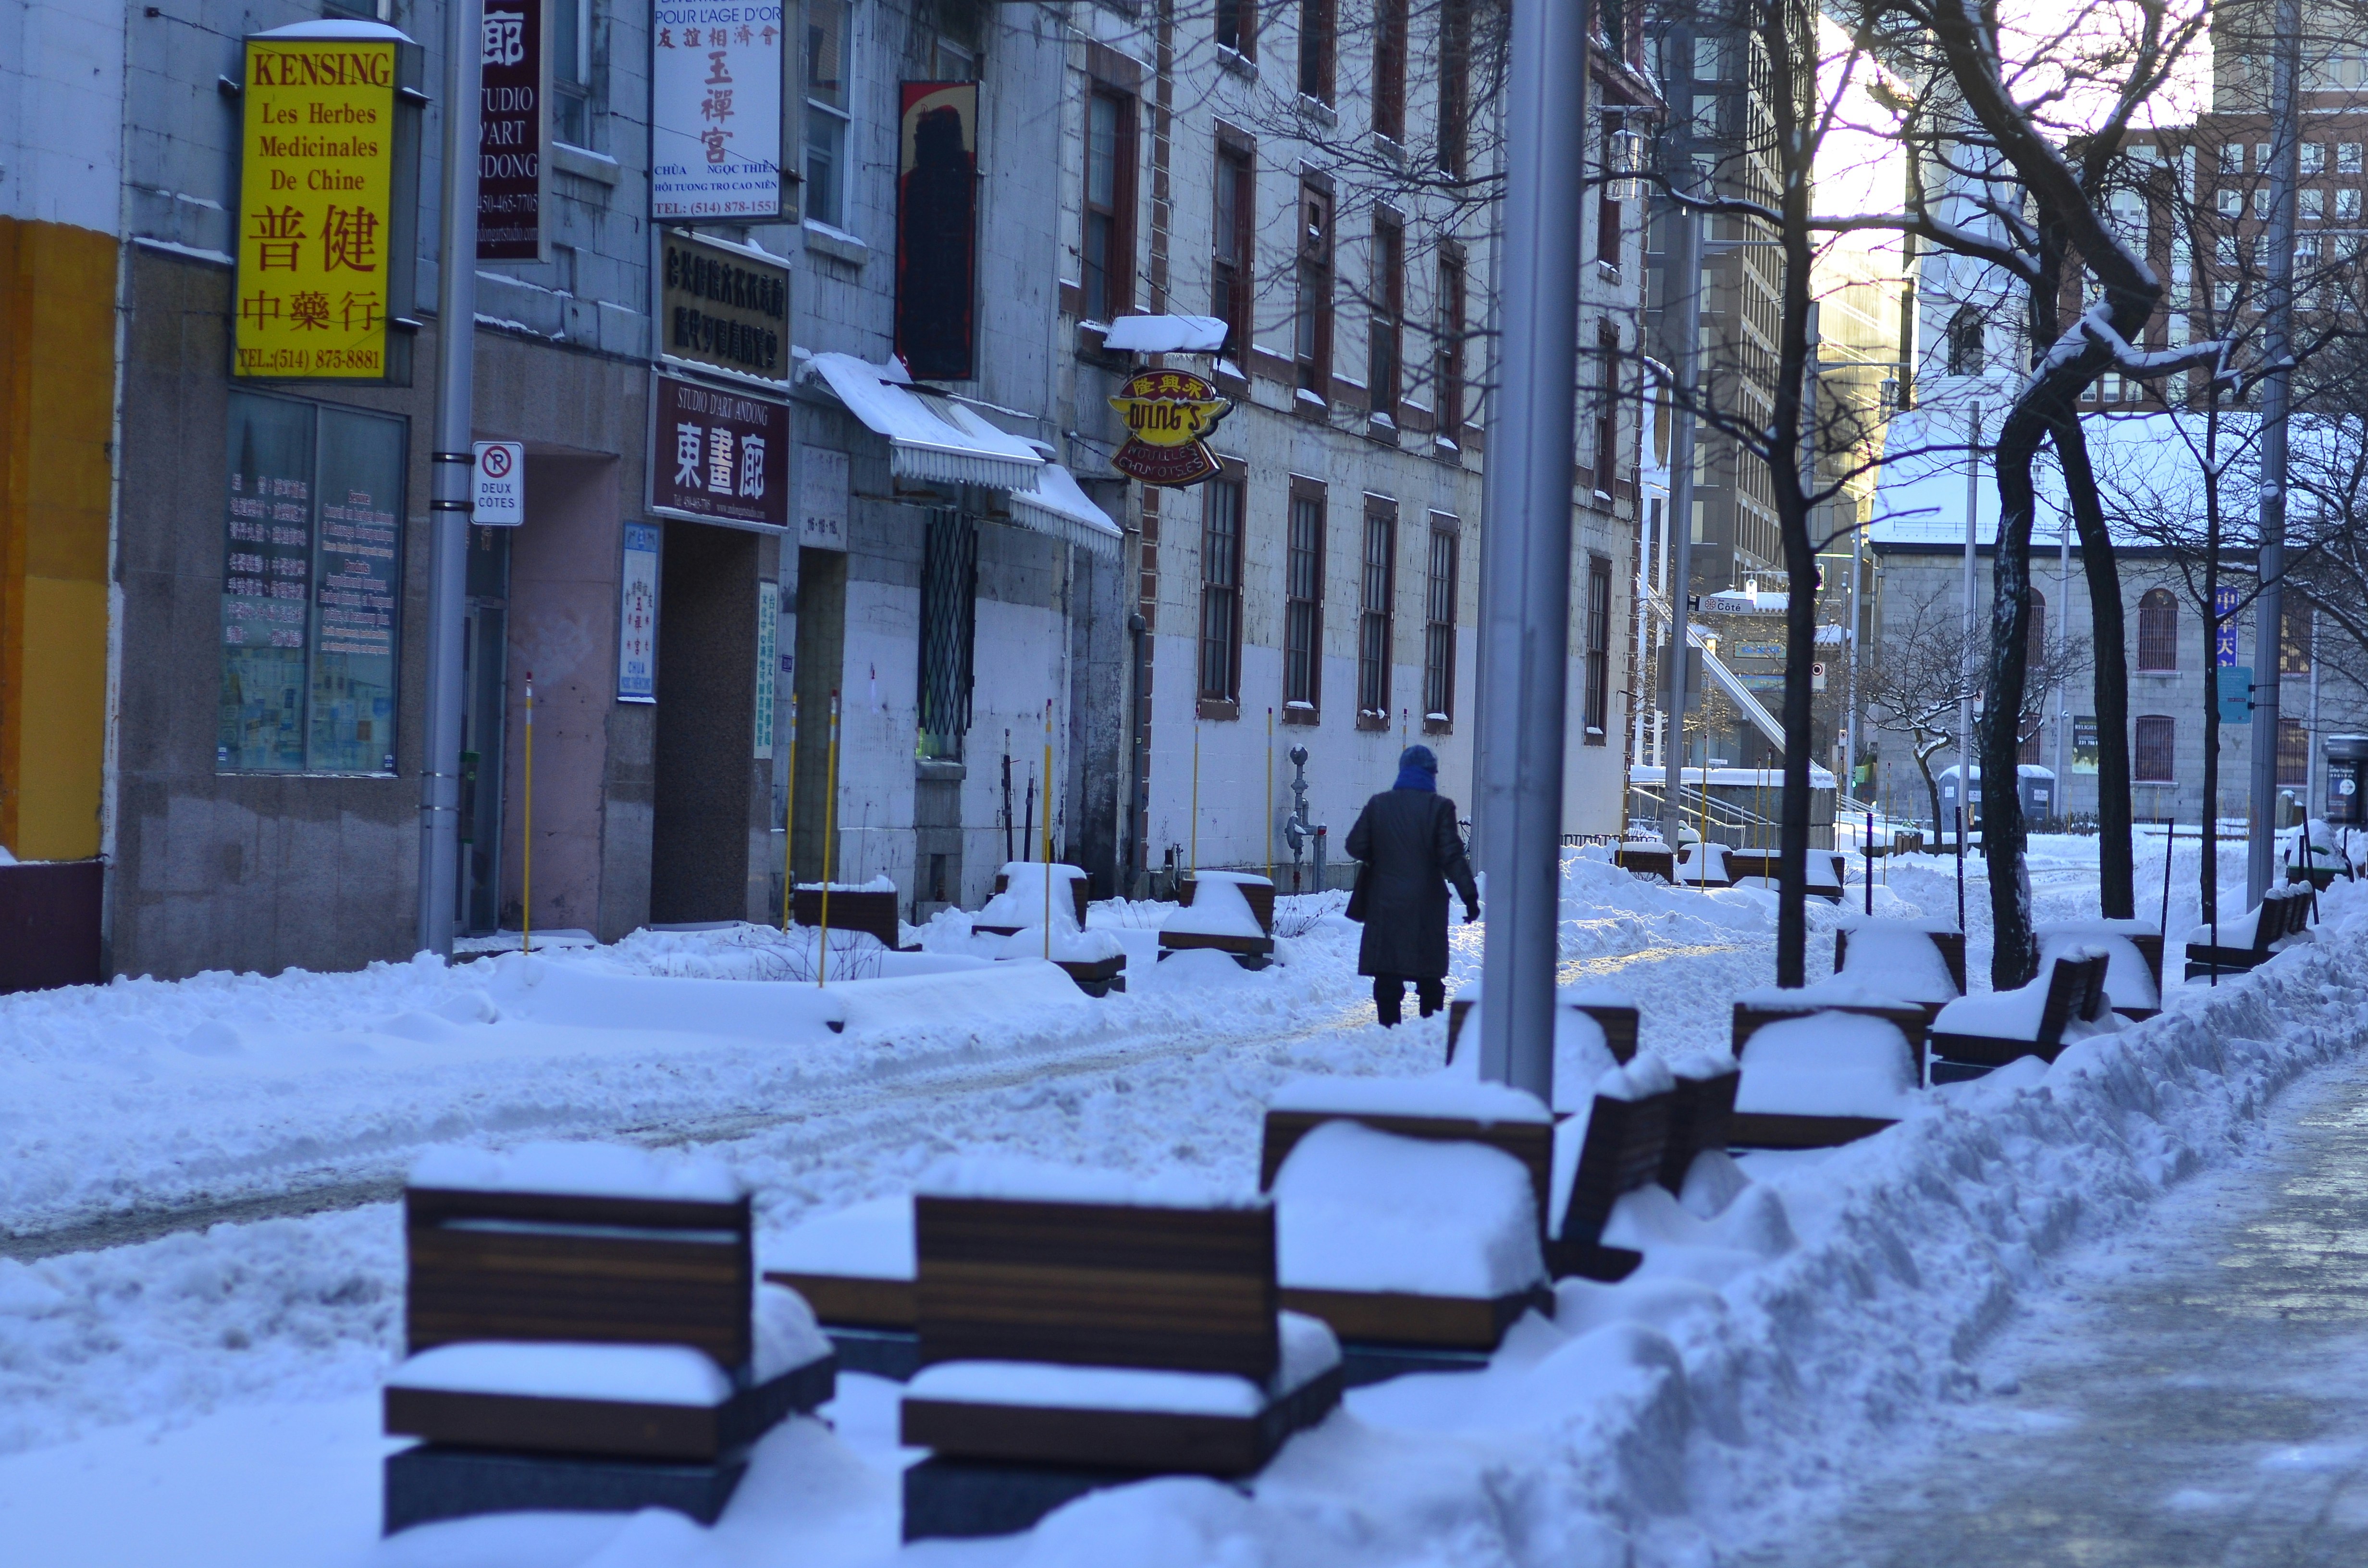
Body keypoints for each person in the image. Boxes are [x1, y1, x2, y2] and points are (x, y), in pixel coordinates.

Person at [1345, 744, 1479, 1026]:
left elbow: (1355, 845)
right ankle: (1428, 1028)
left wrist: (1380, 856)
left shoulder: (1378, 804)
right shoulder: (1440, 808)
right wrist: (1470, 897)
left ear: (1402, 771)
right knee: (1429, 973)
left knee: (1388, 972)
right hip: (1426, 904)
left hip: (1384, 902)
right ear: (1432, 774)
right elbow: (1452, 857)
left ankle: (1388, 1028)